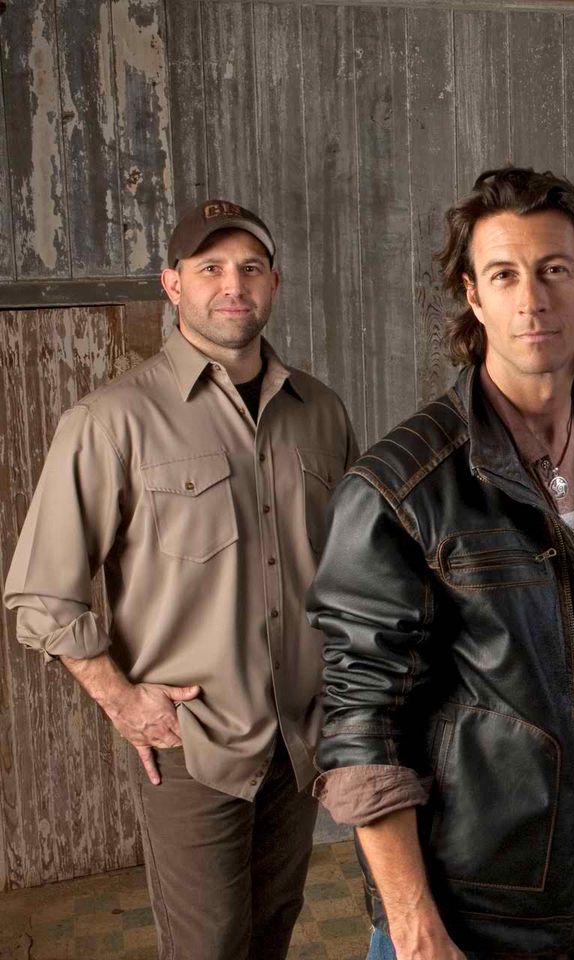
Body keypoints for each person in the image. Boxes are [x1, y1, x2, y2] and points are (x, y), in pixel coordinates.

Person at [306, 167, 574, 960]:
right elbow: (362, 721)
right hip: (470, 905)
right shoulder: (401, 485)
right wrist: (414, 926)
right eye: (505, 275)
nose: (532, 300)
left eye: (554, 270)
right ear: (474, 298)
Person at [3, 198, 357, 959]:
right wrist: (123, 701)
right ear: (172, 284)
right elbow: (41, 595)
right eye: (210, 268)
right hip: (194, 748)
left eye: (251, 268)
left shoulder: (322, 413)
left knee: (272, 931)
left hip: (303, 740)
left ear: (275, 283)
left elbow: (352, 572)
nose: (233, 285)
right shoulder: (111, 420)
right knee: (209, 947)